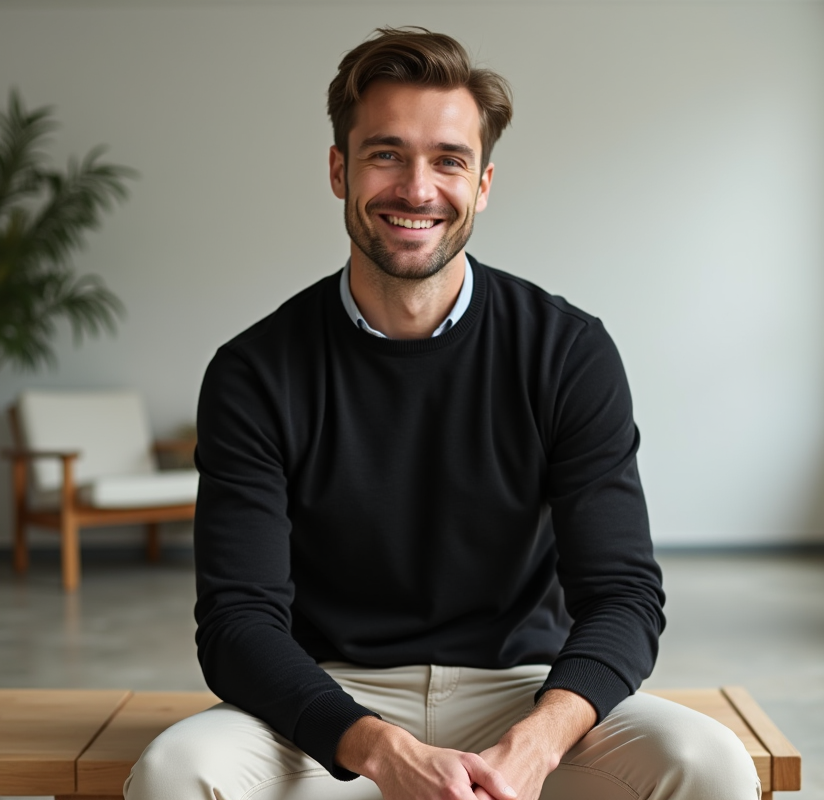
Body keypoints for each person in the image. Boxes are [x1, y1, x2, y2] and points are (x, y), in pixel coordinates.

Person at [127, 26, 760, 800]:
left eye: (448, 160)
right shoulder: (255, 372)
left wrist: (536, 743)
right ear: (339, 169)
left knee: (711, 764)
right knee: (173, 773)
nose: (417, 189)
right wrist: (382, 751)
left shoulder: (569, 352)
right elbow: (237, 623)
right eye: (386, 153)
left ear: (483, 183)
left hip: (524, 692)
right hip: (333, 703)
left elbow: (624, 596)